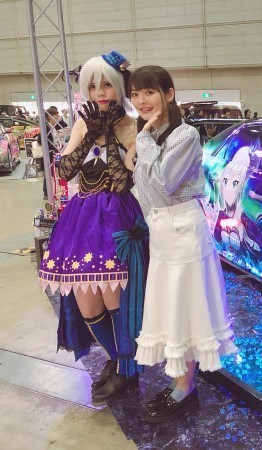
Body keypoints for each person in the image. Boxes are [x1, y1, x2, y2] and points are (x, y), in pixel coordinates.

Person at [128, 65, 238, 423]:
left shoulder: (185, 134)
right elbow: (145, 192)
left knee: (185, 308)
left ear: (169, 94)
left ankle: (185, 388)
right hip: (162, 233)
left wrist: (142, 142)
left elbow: (162, 185)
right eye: (135, 94)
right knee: (172, 308)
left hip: (183, 232)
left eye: (149, 92)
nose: (141, 100)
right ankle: (182, 383)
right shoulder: (153, 135)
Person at [38, 51, 147, 402]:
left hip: (116, 219)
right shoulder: (83, 123)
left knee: (118, 302)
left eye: (107, 85)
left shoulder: (135, 125)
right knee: (88, 306)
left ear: (120, 86)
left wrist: (111, 134)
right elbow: (65, 170)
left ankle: (127, 370)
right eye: (93, 86)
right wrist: (88, 135)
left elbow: (122, 181)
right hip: (80, 221)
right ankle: (119, 362)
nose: (100, 92)